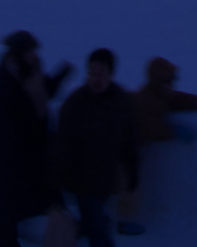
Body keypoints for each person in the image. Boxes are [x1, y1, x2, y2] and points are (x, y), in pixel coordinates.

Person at [0, 32, 72, 247]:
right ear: (18, 54)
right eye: (30, 52)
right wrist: (18, 156)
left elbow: (43, 92)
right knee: (8, 212)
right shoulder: (4, 90)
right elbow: (6, 133)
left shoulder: (32, 77)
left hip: (35, 157)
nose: (34, 55)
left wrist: (61, 75)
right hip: (14, 161)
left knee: (42, 206)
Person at [57, 49, 139, 247]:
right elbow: (62, 145)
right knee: (100, 235)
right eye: (92, 73)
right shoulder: (75, 103)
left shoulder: (121, 101)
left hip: (106, 179)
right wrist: (63, 176)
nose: (96, 79)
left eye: (101, 73)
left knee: (92, 225)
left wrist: (132, 172)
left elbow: (129, 140)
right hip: (82, 181)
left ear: (111, 74)